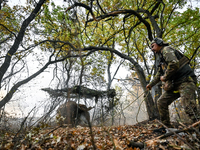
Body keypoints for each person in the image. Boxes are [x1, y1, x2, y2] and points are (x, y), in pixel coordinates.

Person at [146, 37, 198, 128]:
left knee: (188, 105)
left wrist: (165, 77)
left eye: (153, 46)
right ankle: (167, 128)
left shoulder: (166, 50)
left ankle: (198, 126)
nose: (152, 49)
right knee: (162, 102)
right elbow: (159, 74)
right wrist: (151, 84)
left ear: (159, 43)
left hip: (186, 81)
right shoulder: (162, 58)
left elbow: (174, 63)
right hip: (175, 84)